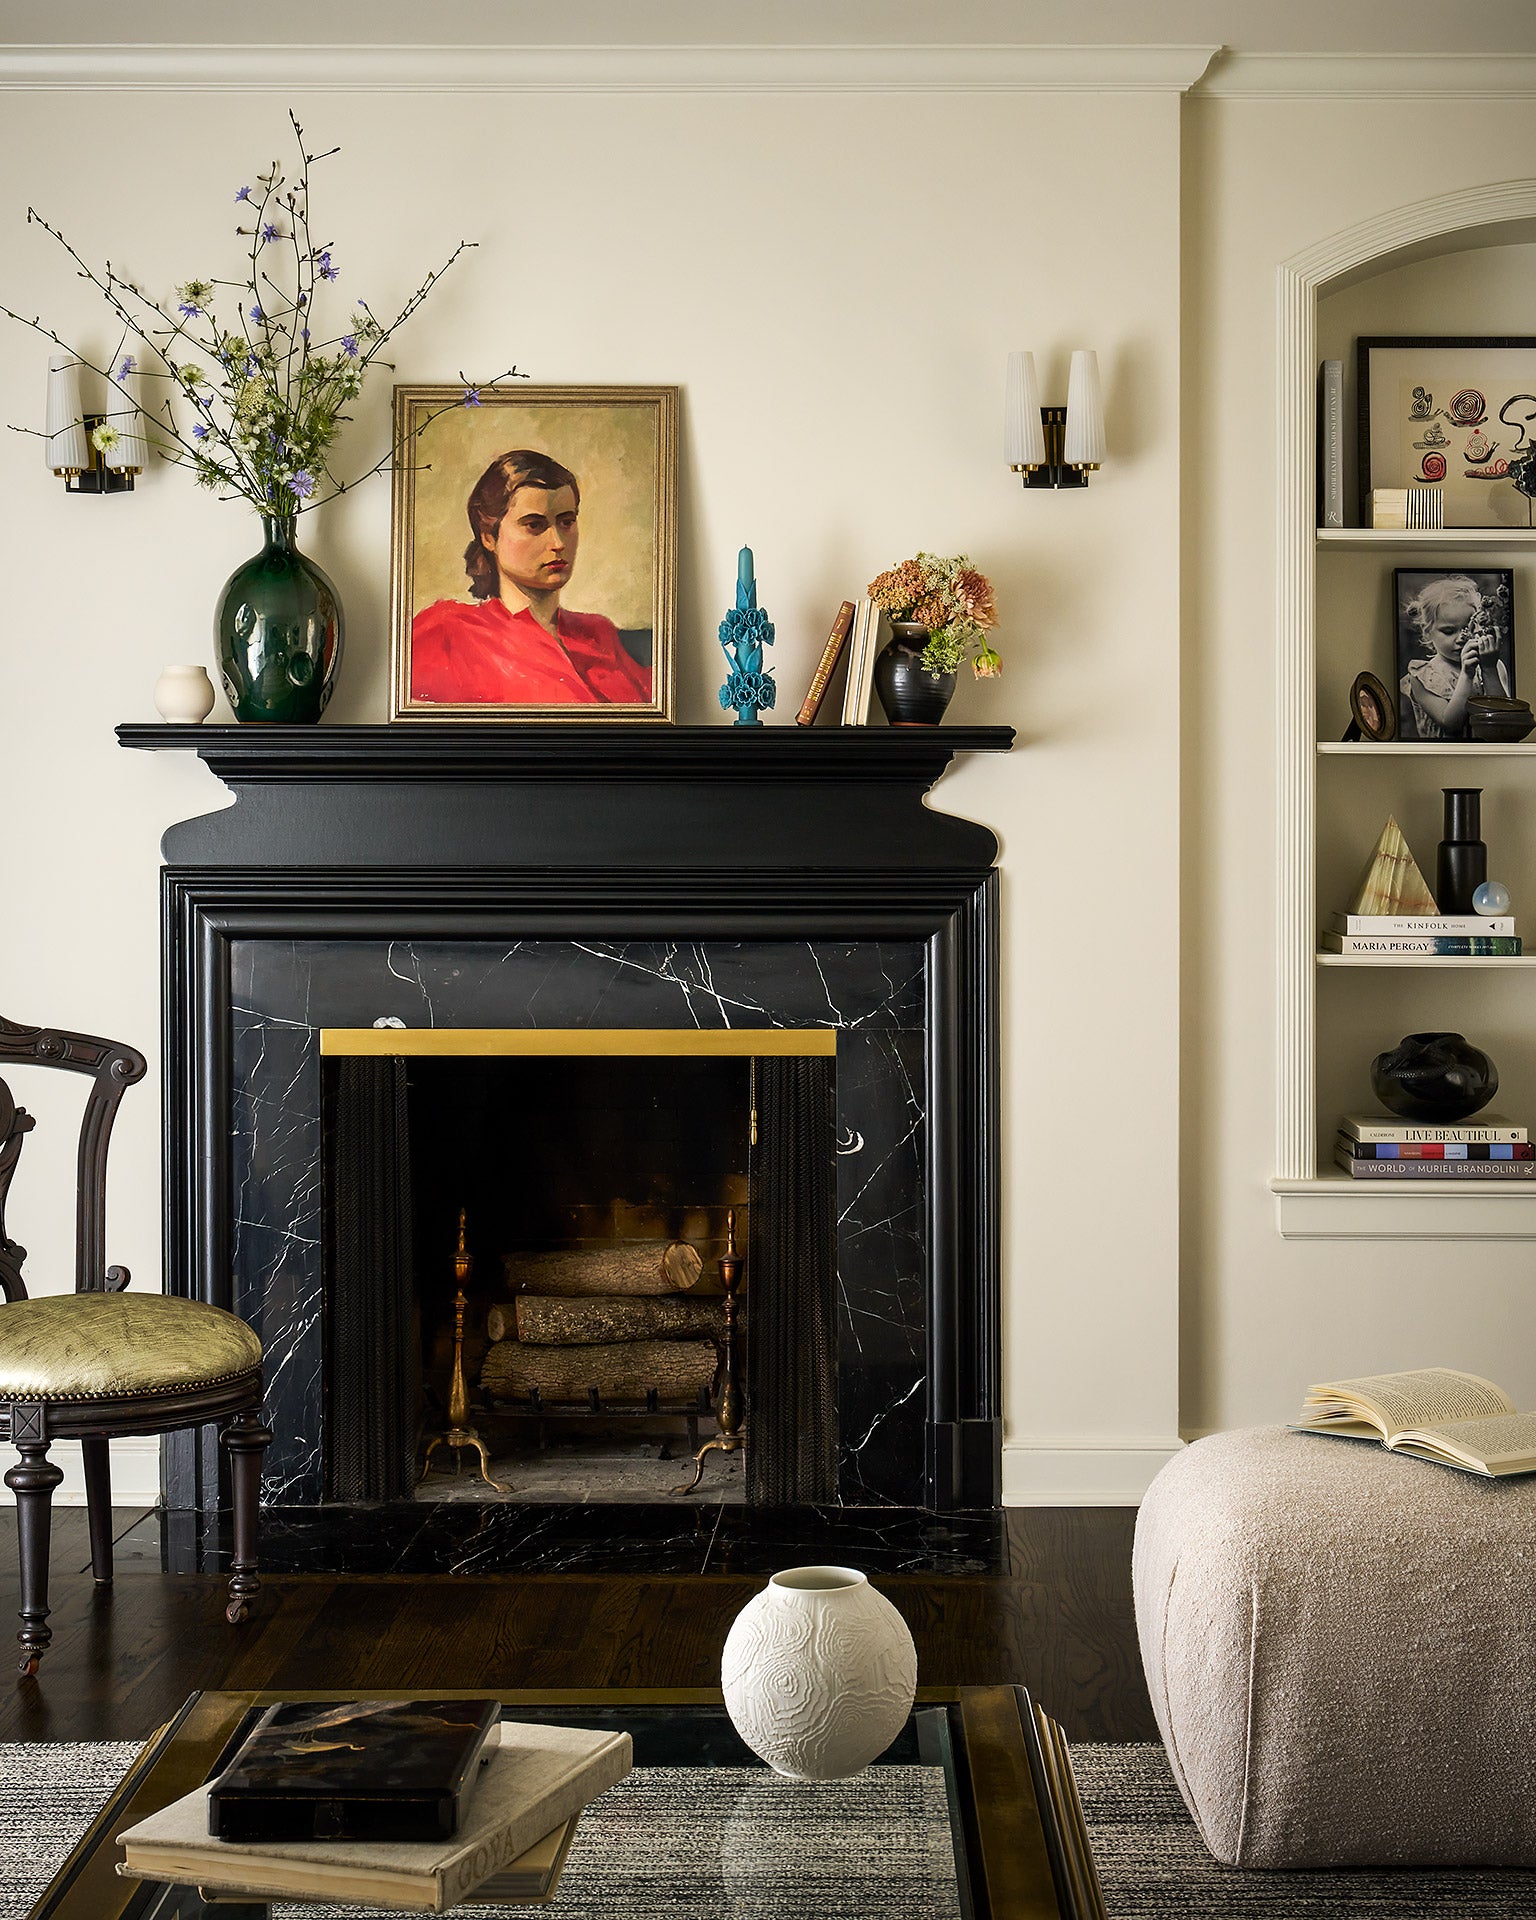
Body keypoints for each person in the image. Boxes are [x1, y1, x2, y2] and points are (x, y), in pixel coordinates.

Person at [410, 449, 652, 705]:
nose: (558, 543)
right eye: (534, 525)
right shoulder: (447, 632)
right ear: (489, 537)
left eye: (566, 522)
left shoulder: (598, 633)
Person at [1400, 573, 1510, 740]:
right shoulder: (1422, 676)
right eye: (1449, 631)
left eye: (1469, 628)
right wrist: (1467, 674)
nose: (1461, 638)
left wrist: (1489, 669)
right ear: (1428, 632)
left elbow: (1502, 720)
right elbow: (1451, 723)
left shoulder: (1493, 665)